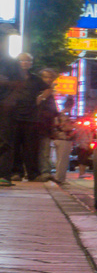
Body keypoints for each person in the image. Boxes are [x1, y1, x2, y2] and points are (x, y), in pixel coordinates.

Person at [3, 52, 39, 184]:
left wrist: (41, 97)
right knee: (13, 146)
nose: (25, 63)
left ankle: (32, 174)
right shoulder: (10, 77)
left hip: (30, 119)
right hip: (12, 116)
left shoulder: (34, 79)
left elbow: (47, 88)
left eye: (28, 61)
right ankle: (15, 172)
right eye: (22, 61)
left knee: (29, 148)